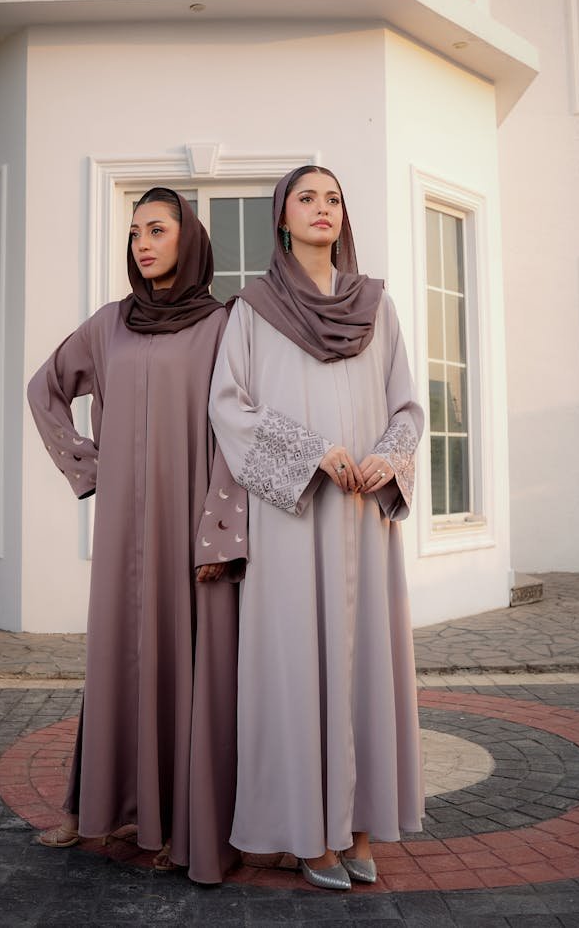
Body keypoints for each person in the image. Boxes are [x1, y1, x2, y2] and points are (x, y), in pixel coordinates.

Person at [207, 166, 425, 890]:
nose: (322, 208)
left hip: (362, 514)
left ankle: (360, 826)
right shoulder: (254, 309)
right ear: (282, 218)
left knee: (365, 665)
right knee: (296, 667)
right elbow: (228, 409)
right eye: (307, 198)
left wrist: (384, 457)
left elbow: (406, 407)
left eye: (333, 198)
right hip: (295, 518)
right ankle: (307, 834)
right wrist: (307, 453)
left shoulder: (377, 306)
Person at [27, 188, 246, 885]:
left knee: (187, 662)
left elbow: (238, 433)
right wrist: (90, 470)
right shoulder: (107, 325)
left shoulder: (222, 325)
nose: (143, 243)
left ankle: (178, 823)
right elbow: (45, 389)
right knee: (119, 657)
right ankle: (101, 808)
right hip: (125, 527)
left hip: (193, 523)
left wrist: (222, 531)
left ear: (188, 239)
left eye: (157, 229)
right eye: (134, 233)